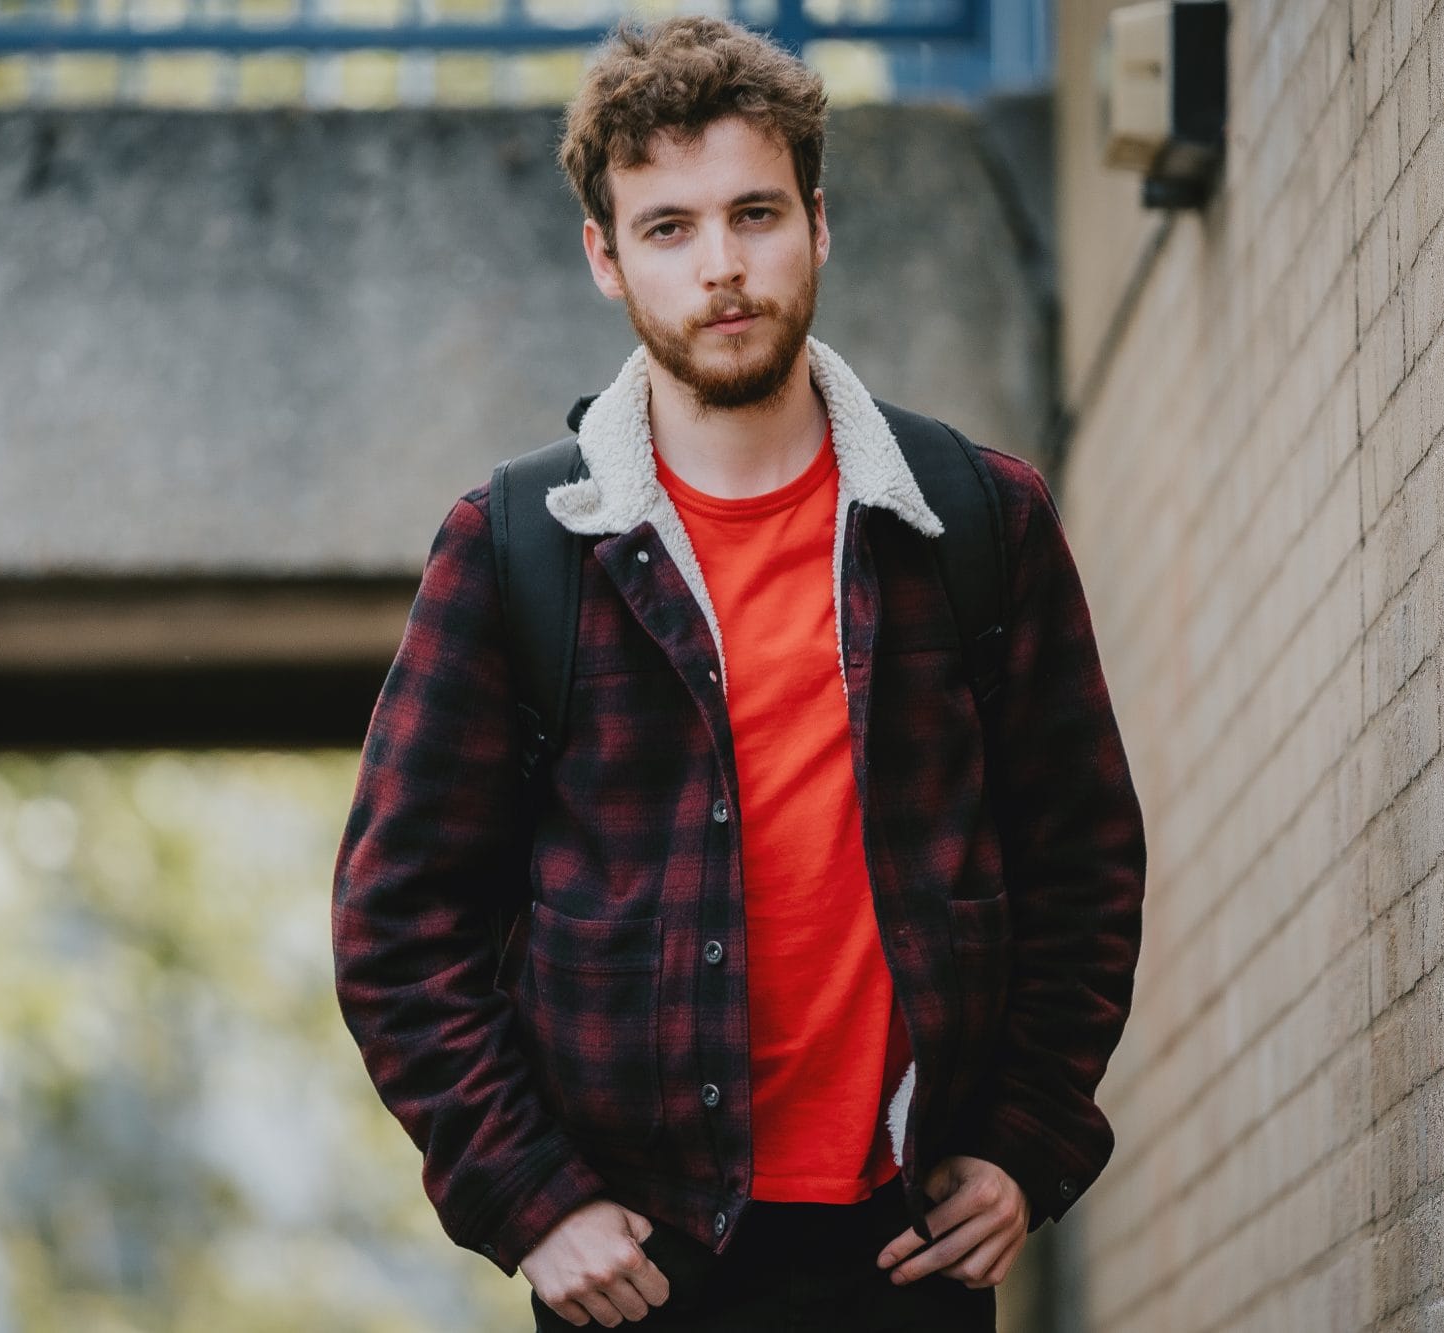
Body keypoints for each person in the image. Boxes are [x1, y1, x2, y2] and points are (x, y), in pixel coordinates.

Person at [331, 15, 1146, 1330]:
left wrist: (1028, 1139)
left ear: (819, 223)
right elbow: (396, 921)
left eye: (755, 213)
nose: (722, 266)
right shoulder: (518, 549)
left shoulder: (974, 521)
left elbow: (1083, 858)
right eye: (669, 228)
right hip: (638, 1270)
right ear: (605, 256)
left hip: (909, 1252)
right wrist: (529, 1197)